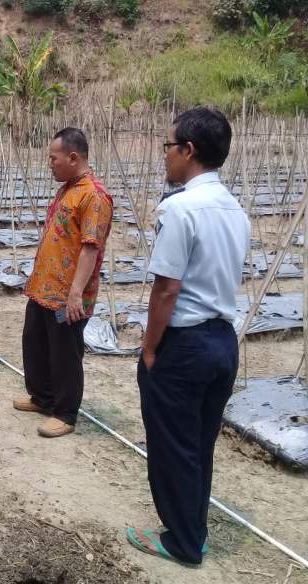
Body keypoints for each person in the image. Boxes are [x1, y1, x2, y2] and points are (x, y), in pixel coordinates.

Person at [126, 108, 250, 566]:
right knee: (199, 443)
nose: (164, 156)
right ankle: (192, 531)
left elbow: (167, 289)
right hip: (222, 341)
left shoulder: (179, 209)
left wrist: (150, 348)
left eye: (167, 146)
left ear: (188, 151)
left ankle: (181, 543)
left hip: (185, 345)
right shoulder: (235, 209)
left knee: (172, 445)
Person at [14, 128, 113, 438]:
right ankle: (42, 398)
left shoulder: (93, 195)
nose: (50, 164)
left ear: (73, 157)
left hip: (68, 295)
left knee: (65, 353)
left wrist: (75, 294)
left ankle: (65, 413)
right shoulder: (69, 188)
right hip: (44, 288)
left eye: (53, 158)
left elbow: (90, 247)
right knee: (35, 343)